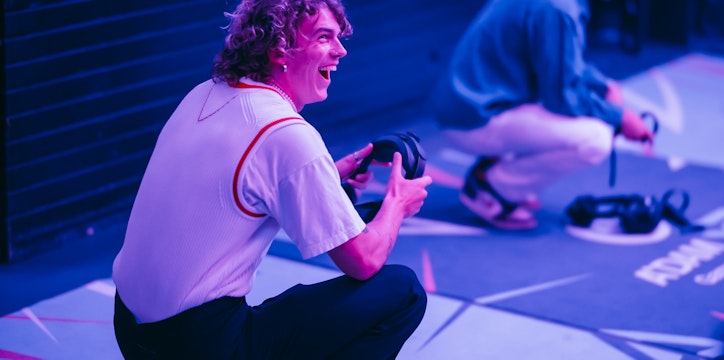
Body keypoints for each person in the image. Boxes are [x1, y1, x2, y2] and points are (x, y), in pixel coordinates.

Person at [111, 0, 433, 358]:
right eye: (324, 37)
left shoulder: (204, 93)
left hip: (131, 330)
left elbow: (236, 187)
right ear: (281, 48)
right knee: (402, 293)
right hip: (200, 345)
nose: (340, 50)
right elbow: (364, 260)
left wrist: (326, 177)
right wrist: (397, 205)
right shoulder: (286, 135)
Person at [430, 0, 654, 230]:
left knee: (586, 106)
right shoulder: (559, 8)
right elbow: (561, 97)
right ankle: (493, 187)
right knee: (596, 138)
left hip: (471, 104)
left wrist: (603, 86)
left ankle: (494, 164)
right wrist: (620, 117)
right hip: (475, 118)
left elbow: (562, 61)